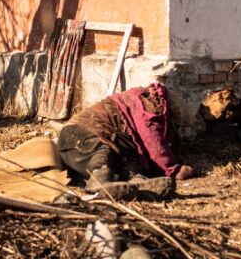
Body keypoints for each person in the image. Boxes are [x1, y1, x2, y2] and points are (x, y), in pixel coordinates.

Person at [57, 82, 196, 200]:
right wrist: (173, 169)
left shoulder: (136, 101)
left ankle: (137, 183)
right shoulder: (152, 103)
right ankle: (99, 181)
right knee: (103, 150)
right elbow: (154, 143)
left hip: (101, 144)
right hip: (77, 136)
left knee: (123, 158)